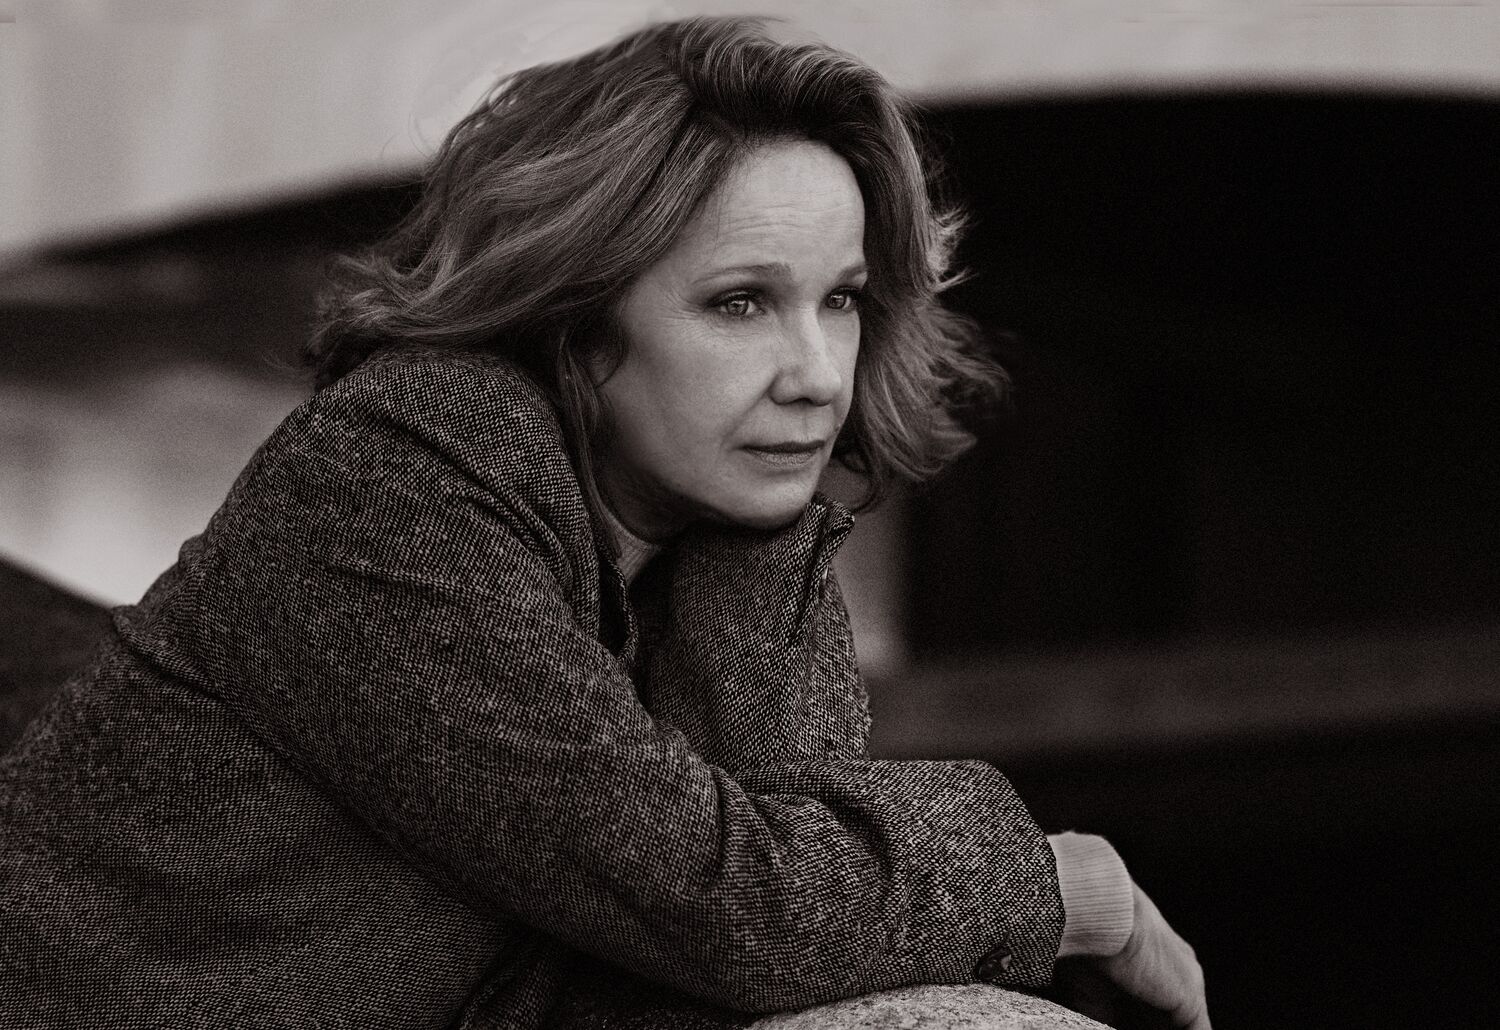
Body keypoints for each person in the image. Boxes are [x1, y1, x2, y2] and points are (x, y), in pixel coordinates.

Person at [0, 16, 1209, 1030]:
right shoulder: (397, 472)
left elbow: (779, 898)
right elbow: (723, 899)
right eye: (740, 303)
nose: (815, 375)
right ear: (575, 322)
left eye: (839, 300)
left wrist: (755, 538)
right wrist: (1061, 881)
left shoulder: (694, 515)